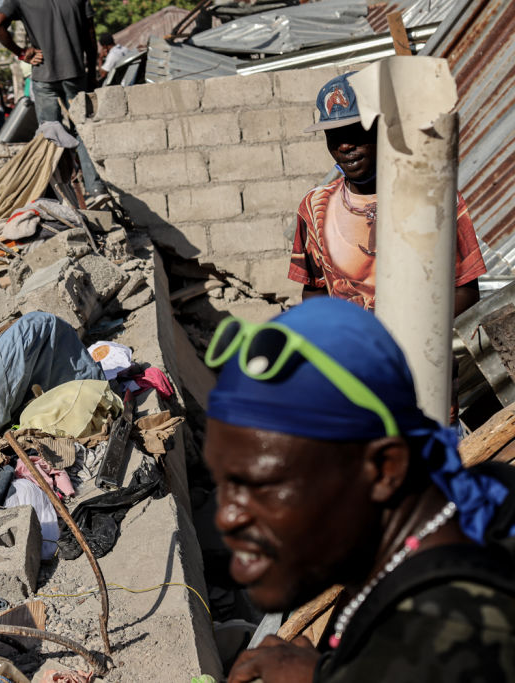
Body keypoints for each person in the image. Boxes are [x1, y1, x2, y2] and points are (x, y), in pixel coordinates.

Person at [203, 297, 515, 683]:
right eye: (225, 482)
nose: (226, 516)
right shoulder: (485, 509)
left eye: (261, 484)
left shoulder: (443, 644)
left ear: (385, 469)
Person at [289, 72, 485, 315]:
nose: (345, 145)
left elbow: (466, 291)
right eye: (334, 135)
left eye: (355, 131)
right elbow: (314, 292)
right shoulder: (315, 207)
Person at [0, 0, 107, 200]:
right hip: (74, 73)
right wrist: (90, 72)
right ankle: (96, 189)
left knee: (48, 135)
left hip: (44, 75)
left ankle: (56, 194)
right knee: (82, 131)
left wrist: (21, 53)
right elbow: (90, 34)